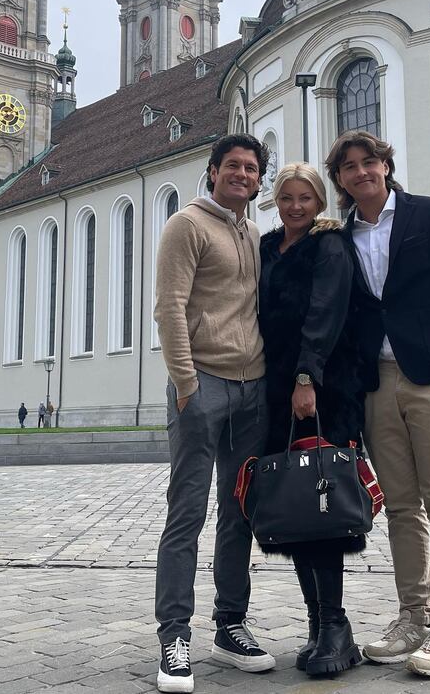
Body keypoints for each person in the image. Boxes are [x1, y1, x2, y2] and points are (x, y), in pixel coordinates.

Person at [326, 130, 430, 680]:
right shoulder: (343, 236)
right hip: (378, 380)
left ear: (385, 166)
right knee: (400, 506)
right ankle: (413, 617)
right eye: (348, 167)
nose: (360, 172)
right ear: (341, 180)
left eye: (367, 162)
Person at [153, 134, 276, 693]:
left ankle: (230, 627)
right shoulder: (188, 226)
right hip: (202, 385)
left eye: (251, 168)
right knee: (187, 515)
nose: (242, 174)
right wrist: (185, 385)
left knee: (239, 513)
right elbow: (170, 307)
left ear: (258, 179)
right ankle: (174, 637)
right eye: (233, 166)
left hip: (252, 388)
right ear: (212, 171)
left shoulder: (251, 232)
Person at [257, 163, 364, 677]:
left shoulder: (330, 246)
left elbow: (326, 312)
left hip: (319, 388)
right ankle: (318, 624)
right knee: (299, 507)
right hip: (279, 389)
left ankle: (337, 626)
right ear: (275, 201)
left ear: (319, 201)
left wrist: (306, 377)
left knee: (321, 501)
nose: (295, 206)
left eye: (305, 197)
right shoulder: (268, 245)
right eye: (286, 197)